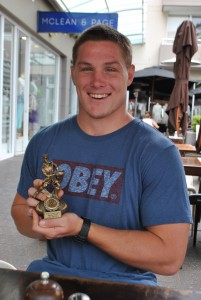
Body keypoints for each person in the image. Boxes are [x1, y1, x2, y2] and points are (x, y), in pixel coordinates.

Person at [11, 24, 192, 286]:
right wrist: (39, 218)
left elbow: (170, 257)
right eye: (87, 68)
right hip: (52, 280)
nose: (97, 81)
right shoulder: (44, 140)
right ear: (73, 73)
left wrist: (82, 228)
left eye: (110, 68)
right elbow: (19, 214)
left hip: (126, 287)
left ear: (129, 75)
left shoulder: (158, 153)